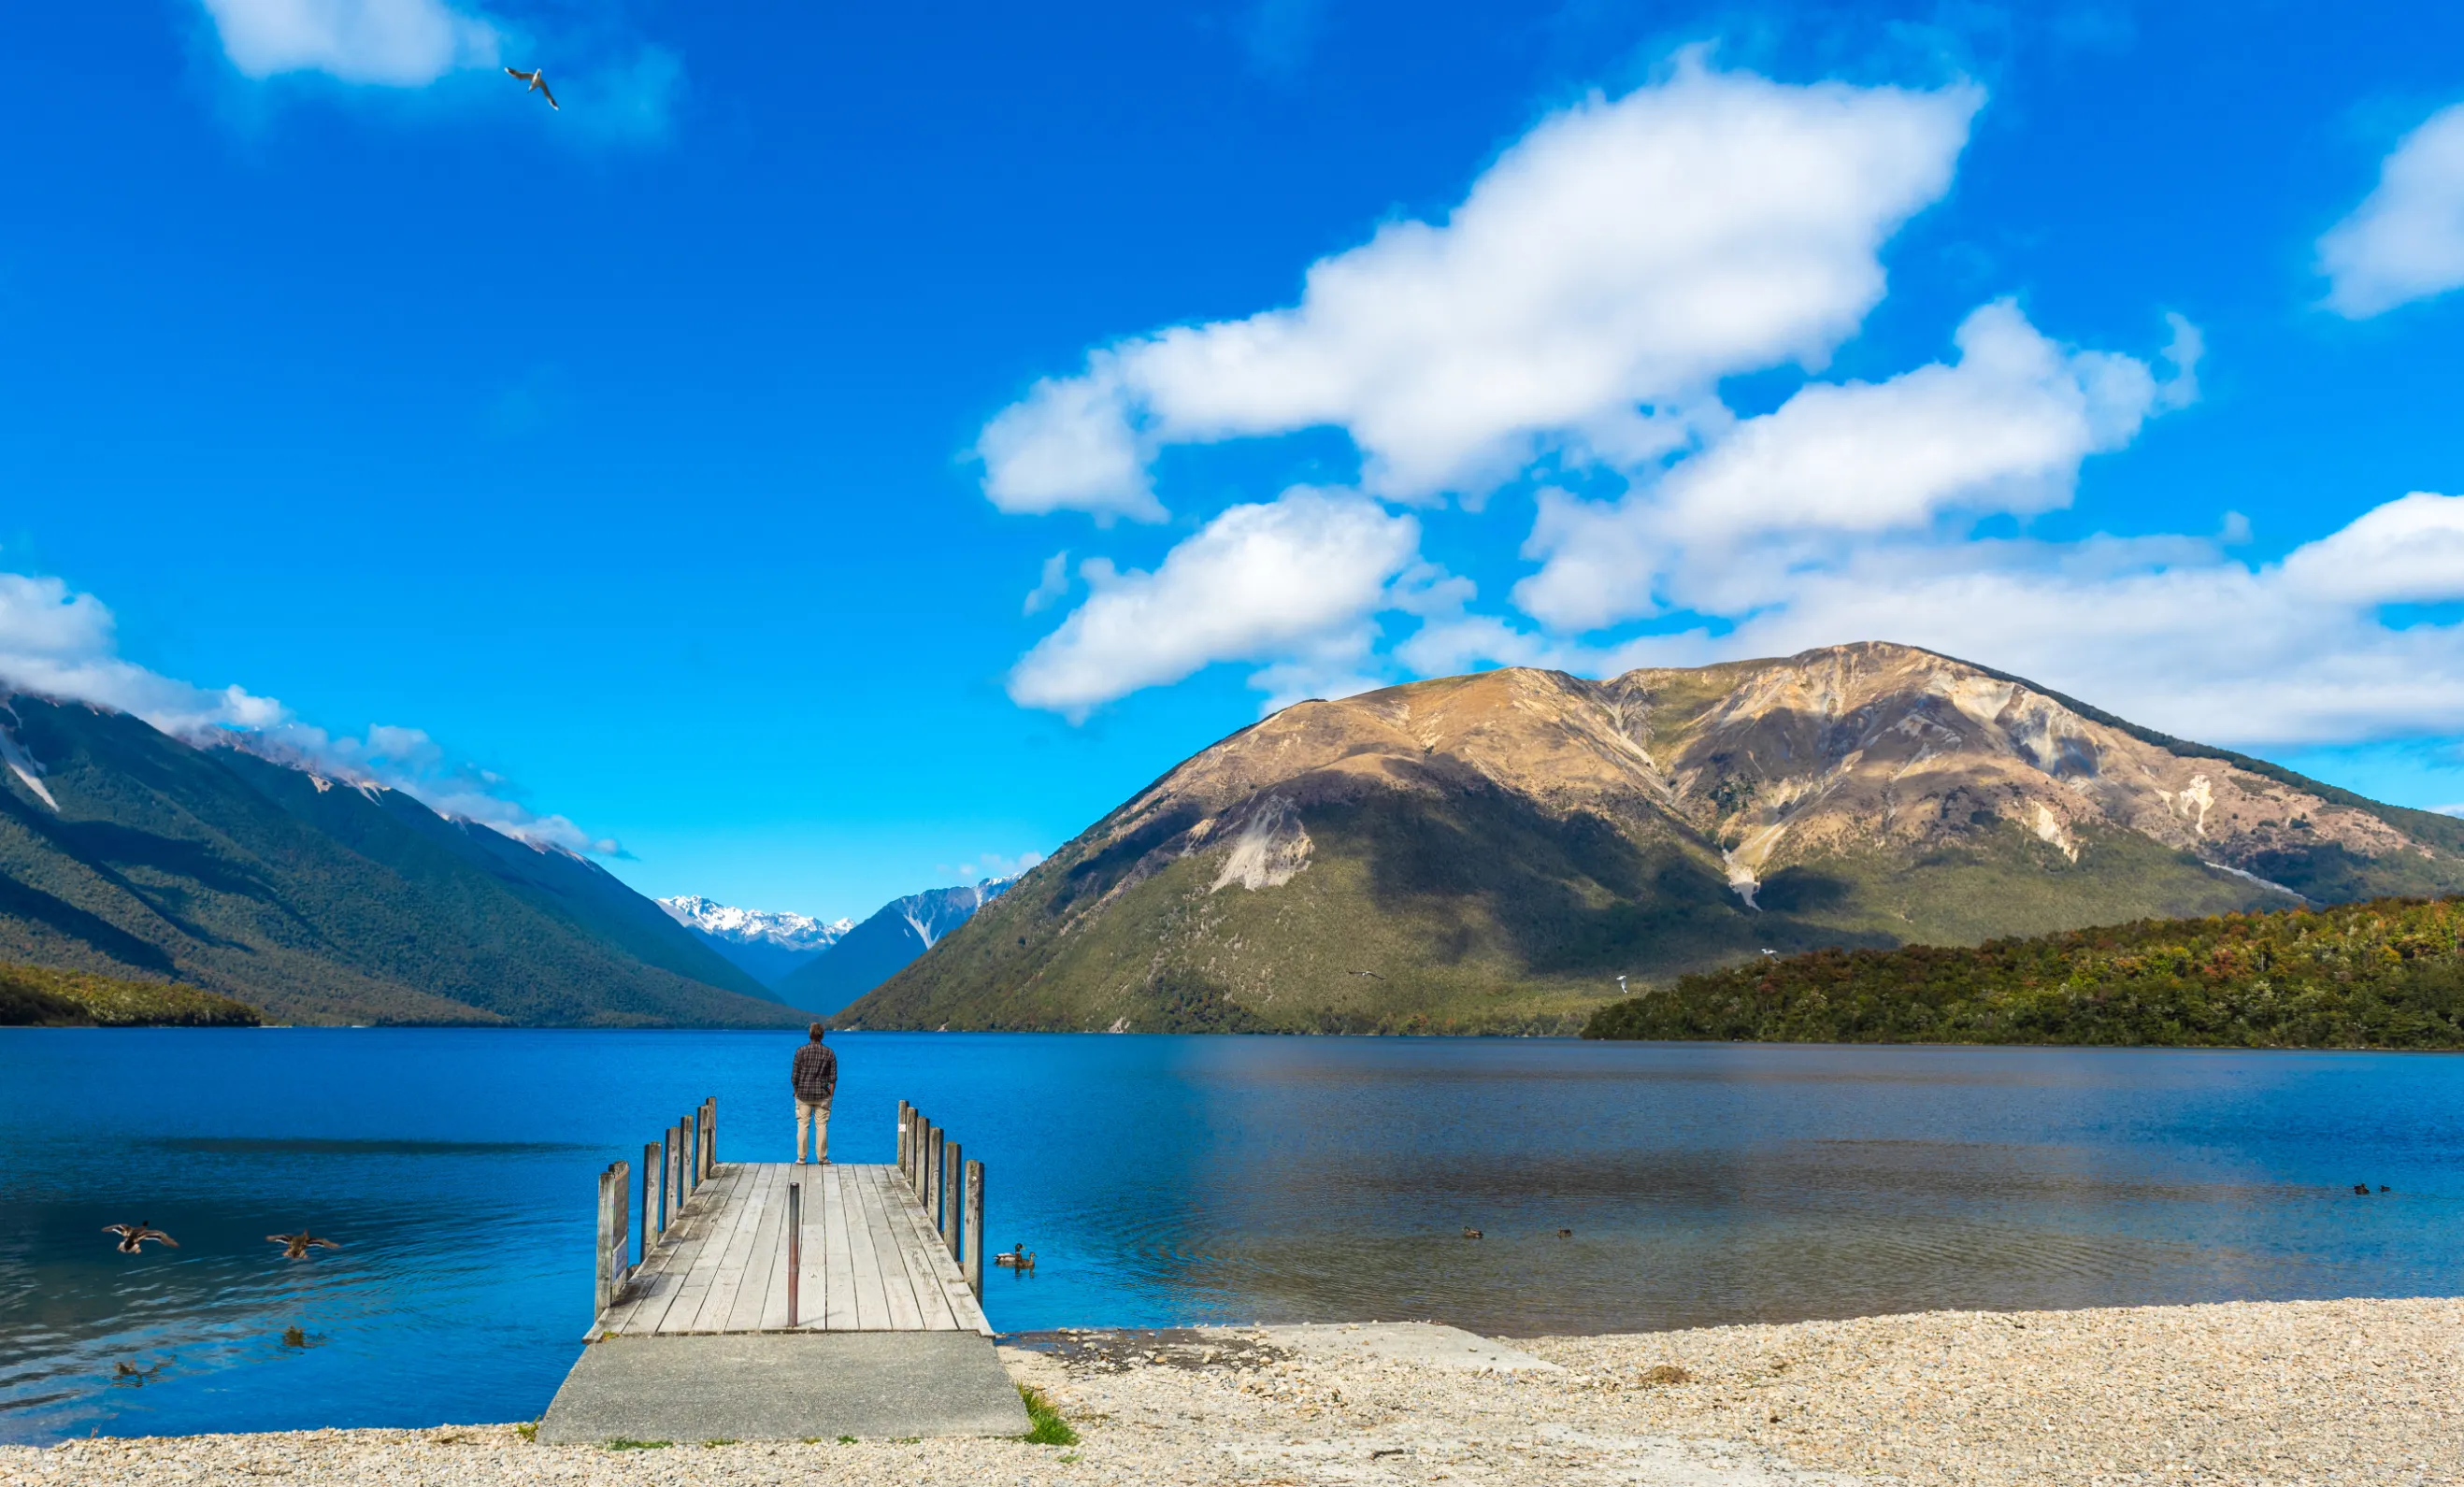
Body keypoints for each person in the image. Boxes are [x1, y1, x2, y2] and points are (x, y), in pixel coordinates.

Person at [791, 1022, 838, 1164]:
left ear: (810, 1034)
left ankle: (801, 1157)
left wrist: (796, 1092)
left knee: (803, 1125)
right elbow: (833, 1078)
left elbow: (794, 1077)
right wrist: (831, 1094)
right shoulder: (829, 1053)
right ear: (822, 1035)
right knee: (821, 1125)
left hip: (803, 1095)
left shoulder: (800, 1051)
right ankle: (822, 1158)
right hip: (822, 1095)